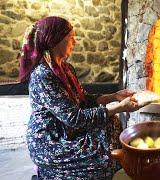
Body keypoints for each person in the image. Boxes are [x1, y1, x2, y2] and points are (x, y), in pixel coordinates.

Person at [19, 16, 145, 179]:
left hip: (70, 130)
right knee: (105, 160)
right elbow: (74, 118)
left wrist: (114, 96)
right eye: (71, 38)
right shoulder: (43, 76)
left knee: (111, 125)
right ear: (55, 40)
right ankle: (50, 172)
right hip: (52, 140)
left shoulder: (66, 68)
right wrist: (120, 107)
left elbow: (83, 99)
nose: (75, 42)